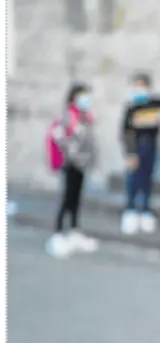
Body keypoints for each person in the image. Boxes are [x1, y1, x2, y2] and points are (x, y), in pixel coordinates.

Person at [119, 71, 160, 235]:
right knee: (133, 180)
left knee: (147, 178)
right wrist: (130, 153)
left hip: (151, 145)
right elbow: (125, 132)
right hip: (135, 146)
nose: (139, 90)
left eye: (142, 86)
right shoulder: (131, 108)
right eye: (137, 86)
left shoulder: (155, 104)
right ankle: (130, 209)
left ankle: (145, 210)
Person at [47, 83, 99, 258]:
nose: (87, 100)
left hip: (82, 163)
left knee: (76, 198)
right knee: (67, 197)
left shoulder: (86, 116)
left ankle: (75, 230)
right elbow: (58, 135)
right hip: (70, 162)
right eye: (83, 96)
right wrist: (70, 151)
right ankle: (58, 233)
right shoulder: (68, 115)